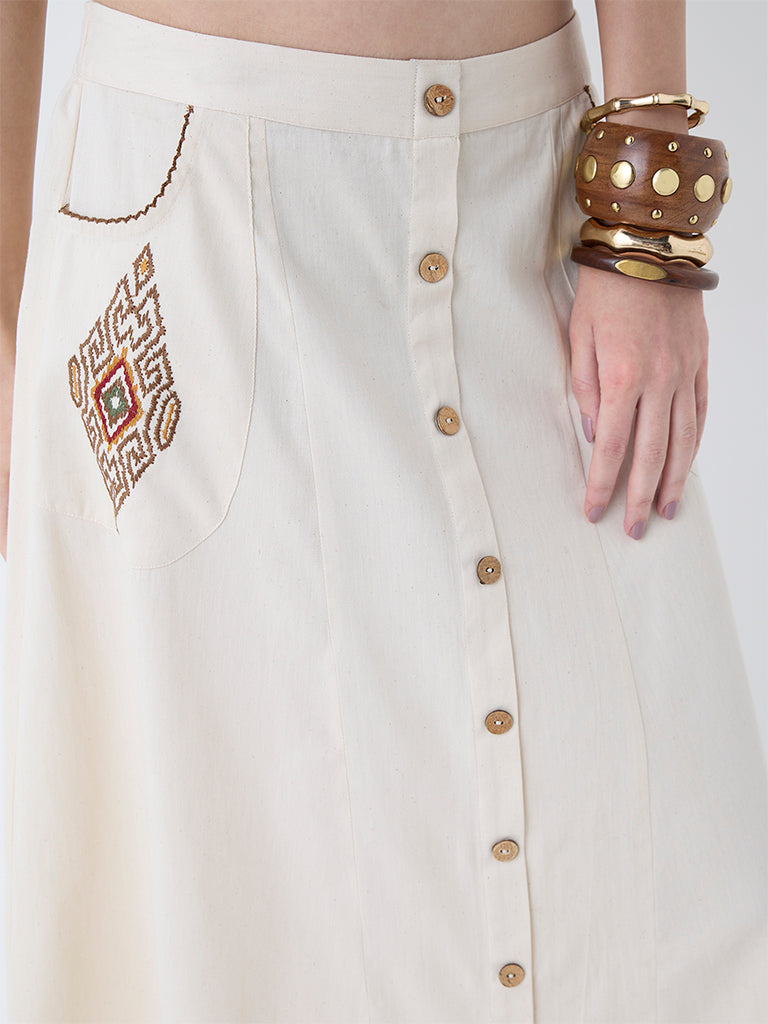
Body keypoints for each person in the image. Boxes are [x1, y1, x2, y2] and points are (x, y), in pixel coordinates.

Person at [1, 1, 765, 1021]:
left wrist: (650, 214)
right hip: (187, 233)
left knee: (665, 895)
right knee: (228, 895)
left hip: (538, 199)